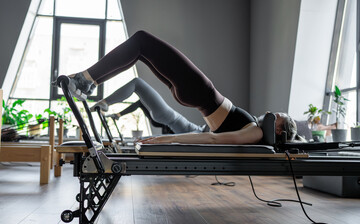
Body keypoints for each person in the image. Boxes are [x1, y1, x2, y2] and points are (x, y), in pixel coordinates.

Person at [55, 30, 299, 144]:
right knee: (140, 51)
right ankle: (89, 81)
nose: (272, 113)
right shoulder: (256, 128)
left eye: (279, 117)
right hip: (195, 96)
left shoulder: (256, 133)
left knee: (141, 40)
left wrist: (168, 141)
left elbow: (214, 140)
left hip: (201, 92)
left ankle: (86, 80)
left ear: (280, 131)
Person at [90, 77, 207, 134]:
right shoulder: (204, 131)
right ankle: (110, 107)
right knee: (140, 98)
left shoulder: (202, 134)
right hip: (166, 118)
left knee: (137, 83)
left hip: (169, 117)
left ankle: (106, 102)